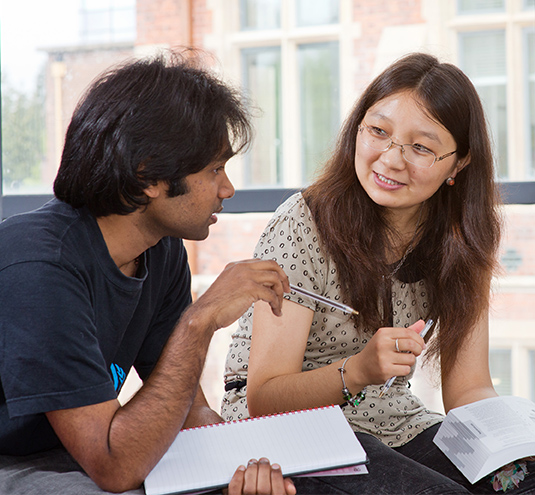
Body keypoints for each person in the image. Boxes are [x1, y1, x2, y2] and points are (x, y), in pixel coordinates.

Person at [222, 52, 535, 494]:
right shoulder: (303, 223)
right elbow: (264, 398)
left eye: (421, 147)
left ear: (459, 163)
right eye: (378, 131)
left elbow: (468, 390)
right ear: (357, 127)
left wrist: (513, 443)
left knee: (522, 481)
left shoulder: (463, 236)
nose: (390, 159)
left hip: (394, 423)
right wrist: (359, 369)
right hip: (288, 433)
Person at [0, 50, 297, 495]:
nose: (227, 189)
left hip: (80, 454)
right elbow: (114, 468)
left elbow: (188, 411)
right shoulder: (41, 265)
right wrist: (200, 321)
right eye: (215, 169)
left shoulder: (161, 249)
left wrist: (244, 466)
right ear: (148, 177)